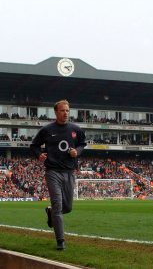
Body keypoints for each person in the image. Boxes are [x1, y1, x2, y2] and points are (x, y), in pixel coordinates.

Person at [30, 99, 86, 250]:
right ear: (56, 112)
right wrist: (39, 155)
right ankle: (60, 241)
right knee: (58, 205)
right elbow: (34, 145)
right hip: (53, 171)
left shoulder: (75, 129)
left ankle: (50, 212)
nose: (65, 113)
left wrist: (77, 152)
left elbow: (82, 144)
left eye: (67, 110)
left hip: (69, 172)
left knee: (67, 207)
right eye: (62, 110)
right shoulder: (47, 130)